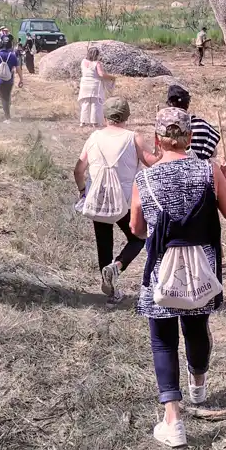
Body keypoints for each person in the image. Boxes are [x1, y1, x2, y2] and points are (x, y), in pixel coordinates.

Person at [129, 107, 226, 448]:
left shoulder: (144, 180)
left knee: (162, 339)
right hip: (202, 270)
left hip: (161, 272)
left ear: (157, 140)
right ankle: (198, 383)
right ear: (190, 139)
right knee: (196, 327)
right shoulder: (209, 170)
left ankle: (173, 420)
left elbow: (137, 230)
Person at [73, 97, 161, 305]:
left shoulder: (93, 137)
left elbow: (78, 170)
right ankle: (118, 265)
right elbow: (153, 163)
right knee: (138, 238)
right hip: (125, 201)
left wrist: (83, 191)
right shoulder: (133, 138)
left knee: (104, 244)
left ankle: (111, 291)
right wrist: (159, 148)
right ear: (127, 116)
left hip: (99, 198)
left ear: (105, 117)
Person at [166, 83, 220, 160]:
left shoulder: (164, 128)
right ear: (187, 103)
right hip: (202, 170)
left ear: (169, 104)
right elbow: (213, 154)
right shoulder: (204, 127)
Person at [78, 47, 115, 127]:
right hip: (94, 85)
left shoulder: (83, 62)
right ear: (97, 54)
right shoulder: (97, 63)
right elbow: (101, 74)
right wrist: (111, 77)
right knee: (95, 103)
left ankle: (83, 122)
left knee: (85, 103)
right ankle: (94, 122)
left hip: (84, 84)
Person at [0, 36, 23, 121]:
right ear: (10, 46)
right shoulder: (13, 55)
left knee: (3, 98)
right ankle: (7, 113)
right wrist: (21, 79)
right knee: (7, 96)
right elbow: (18, 68)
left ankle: (7, 117)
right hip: (9, 80)